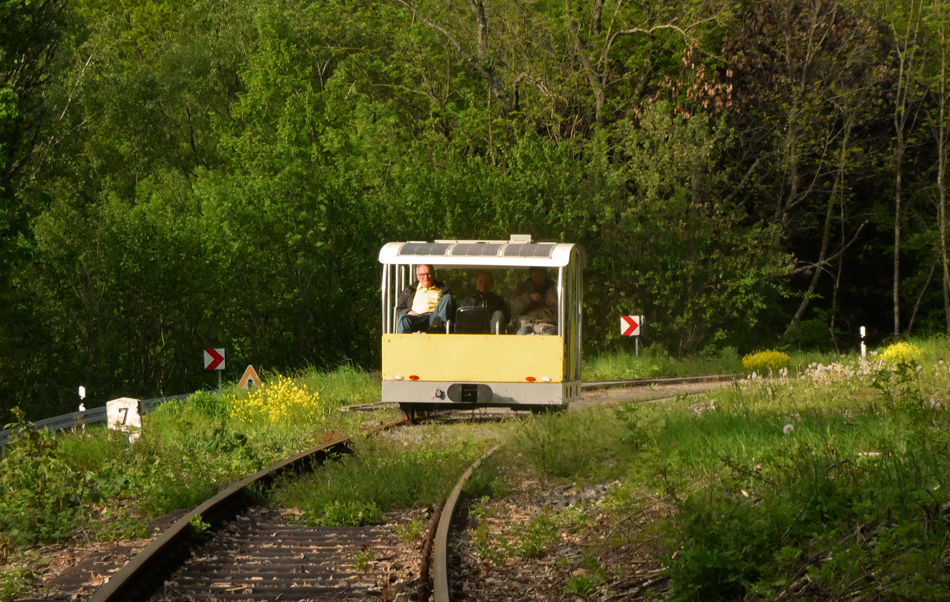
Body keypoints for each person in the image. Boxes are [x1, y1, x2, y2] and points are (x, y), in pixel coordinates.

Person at [395, 264, 456, 333]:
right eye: (422, 274)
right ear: (418, 276)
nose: (426, 277)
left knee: (447, 298)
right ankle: (402, 342)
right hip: (417, 318)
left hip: (435, 317)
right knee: (403, 318)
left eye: (428, 274)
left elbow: (451, 307)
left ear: (433, 274)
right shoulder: (409, 290)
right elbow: (399, 309)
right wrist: (408, 311)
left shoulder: (443, 289)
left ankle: (437, 330)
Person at [510, 267, 557, 335]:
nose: (540, 276)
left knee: (548, 335)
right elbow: (512, 307)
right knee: (521, 334)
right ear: (531, 275)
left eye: (542, 273)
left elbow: (566, 310)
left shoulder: (555, 288)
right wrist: (528, 297)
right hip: (526, 324)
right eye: (536, 273)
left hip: (548, 324)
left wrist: (554, 302)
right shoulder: (522, 288)